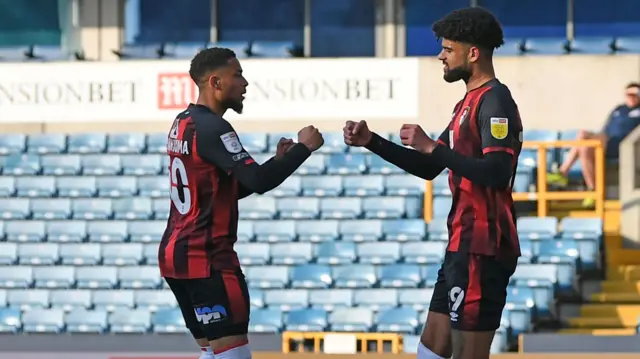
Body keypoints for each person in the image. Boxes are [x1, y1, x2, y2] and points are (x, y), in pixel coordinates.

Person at [344, 7, 521, 359]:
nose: (440, 55)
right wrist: (372, 141)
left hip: (483, 244)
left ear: (473, 53)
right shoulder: (466, 104)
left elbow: (497, 172)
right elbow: (429, 166)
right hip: (462, 244)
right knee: (431, 351)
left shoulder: (495, 100)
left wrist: (432, 146)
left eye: (448, 49)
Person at [158, 47, 324, 359]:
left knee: (212, 349)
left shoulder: (182, 122)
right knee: (232, 351)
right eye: (238, 75)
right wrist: (304, 148)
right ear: (215, 82)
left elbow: (226, 190)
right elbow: (259, 182)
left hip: (176, 257)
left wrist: (277, 161)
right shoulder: (213, 127)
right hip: (207, 259)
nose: (245, 83)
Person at [547, 82, 640, 208]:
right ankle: (593, 190)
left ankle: (563, 171)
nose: (631, 97)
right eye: (628, 94)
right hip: (607, 141)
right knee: (584, 145)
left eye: (634, 94)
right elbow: (605, 128)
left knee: (583, 136)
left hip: (622, 145)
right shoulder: (619, 109)